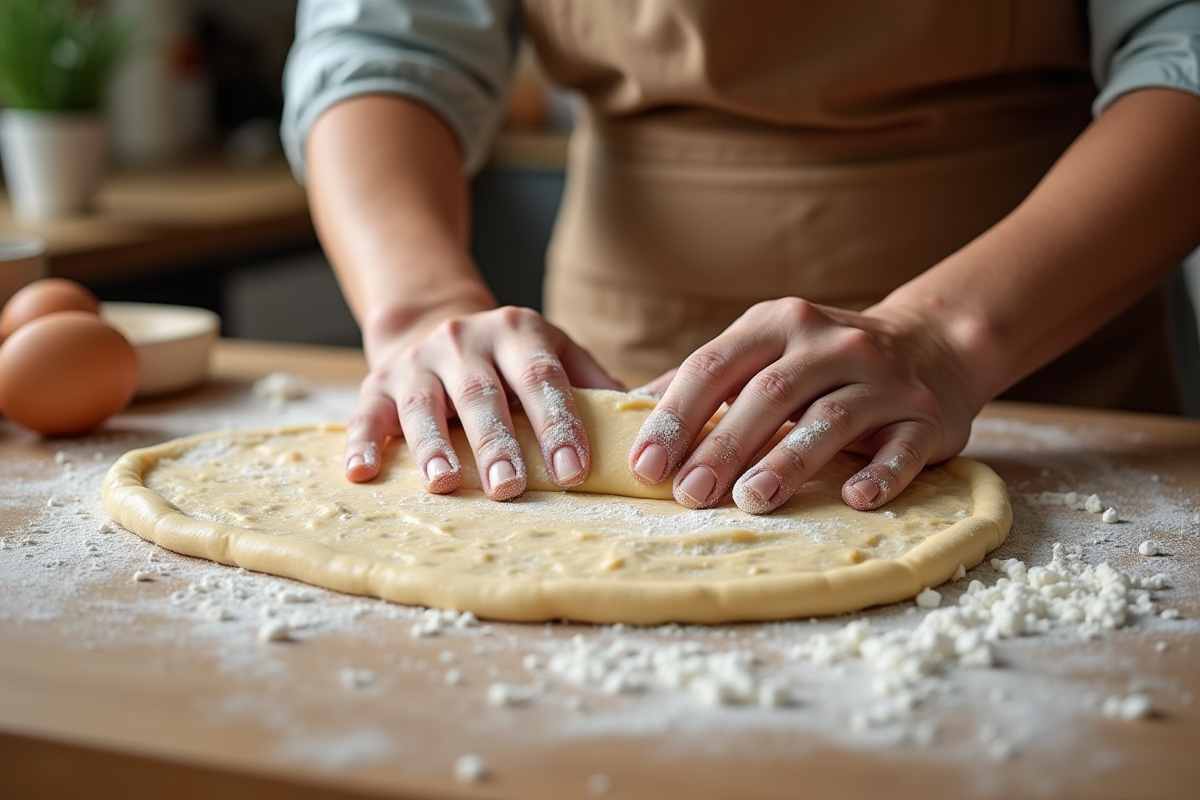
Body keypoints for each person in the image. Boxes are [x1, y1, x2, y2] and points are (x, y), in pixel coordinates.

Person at [282, 0, 1200, 515]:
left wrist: (946, 339)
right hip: (607, 385)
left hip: (1036, 361)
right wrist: (418, 306)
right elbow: (380, 44)